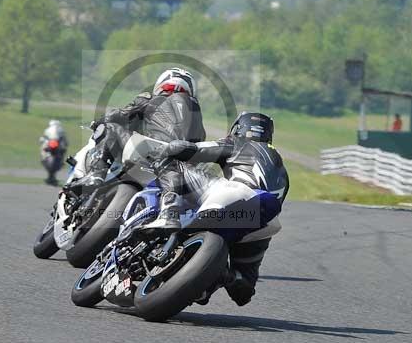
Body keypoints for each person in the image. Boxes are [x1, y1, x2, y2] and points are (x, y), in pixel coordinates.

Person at [156, 111, 289, 306]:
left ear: (238, 128)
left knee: (171, 162)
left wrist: (168, 147)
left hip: (235, 194)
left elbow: (190, 149)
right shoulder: (280, 166)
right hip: (263, 223)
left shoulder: (236, 143)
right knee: (244, 290)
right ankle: (223, 277)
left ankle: (169, 211)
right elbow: (242, 299)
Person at [71, 68, 207, 209]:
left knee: (110, 127)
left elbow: (119, 115)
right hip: (177, 166)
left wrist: (99, 121)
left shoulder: (151, 99)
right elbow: (199, 145)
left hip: (149, 149)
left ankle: (97, 173)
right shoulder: (198, 116)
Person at [39, 119, 68, 184]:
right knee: (61, 153)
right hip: (53, 148)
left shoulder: (48, 130)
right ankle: (60, 162)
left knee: (44, 152)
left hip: (54, 148)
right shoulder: (60, 130)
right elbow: (65, 141)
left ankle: (43, 159)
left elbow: (42, 140)